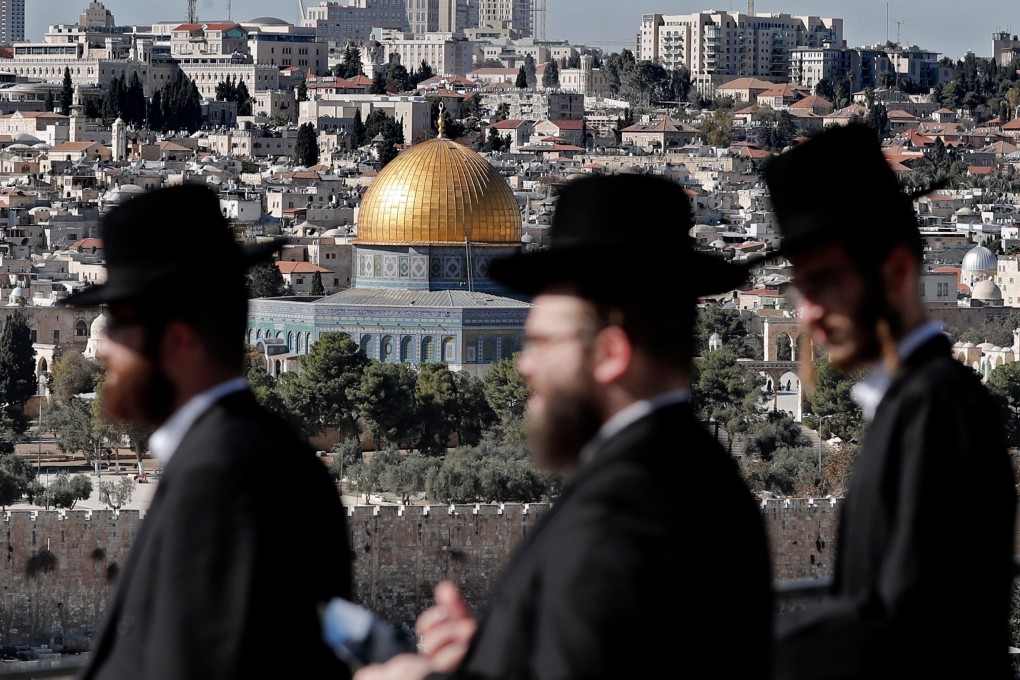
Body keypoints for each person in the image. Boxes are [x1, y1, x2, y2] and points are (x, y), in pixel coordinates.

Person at [352, 173, 775, 680]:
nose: (525, 367)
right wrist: (492, 653)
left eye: (543, 344)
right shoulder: (693, 474)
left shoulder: (622, 514)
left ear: (609, 353)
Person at [60, 184, 354, 680]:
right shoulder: (250, 454)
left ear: (177, 340)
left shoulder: (224, 477)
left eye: (121, 325)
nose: (103, 349)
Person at [762, 122, 1017, 680]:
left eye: (824, 282)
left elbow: (908, 626)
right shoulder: (915, 404)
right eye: (800, 288)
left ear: (897, 271)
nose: (806, 313)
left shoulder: (936, 411)